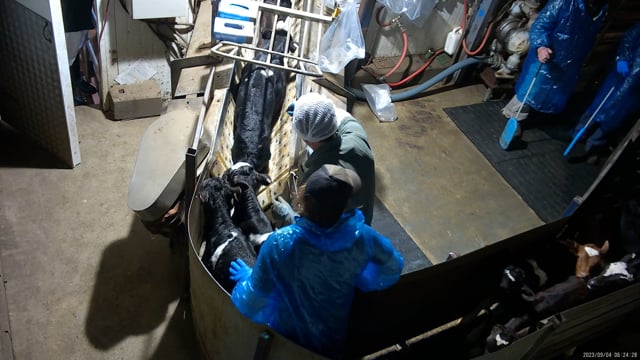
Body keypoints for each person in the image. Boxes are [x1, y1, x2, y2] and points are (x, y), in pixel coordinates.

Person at [229, 164, 404, 358]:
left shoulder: (281, 243)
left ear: (303, 198)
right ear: (345, 205)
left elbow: (250, 304)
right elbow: (392, 268)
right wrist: (357, 275)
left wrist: (248, 278)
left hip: (285, 344)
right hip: (332, 346)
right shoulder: (363, 239)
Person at [501, 0, 608, 134]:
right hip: (549, 55)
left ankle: (537, 117)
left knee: (554, 93)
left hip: (570, 62)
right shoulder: (564, 2)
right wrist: (541, 46)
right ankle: (514, 118)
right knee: (531, 89)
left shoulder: (601, 9)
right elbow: (540, 25)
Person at [272, 92, 376, 225]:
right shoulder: (356, 135)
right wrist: (308, 110)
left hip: (339, 241)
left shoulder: (318, 180)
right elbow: (342, 117)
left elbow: (314, 230)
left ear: (305, 138)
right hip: (363, 225)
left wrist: (289, 216)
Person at [568, 22, 640, 164]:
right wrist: (622, 59)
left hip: (636, 91)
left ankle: (593, 146)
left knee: (615, 118)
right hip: (621, 77)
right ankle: (577, 135)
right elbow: (628, 39)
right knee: (597, 108)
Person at [61, 0, 97, 105]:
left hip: (79, 15)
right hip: (71, 20)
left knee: (75, 50)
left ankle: (77, 80)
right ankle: (70, 99)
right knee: (67, 58)